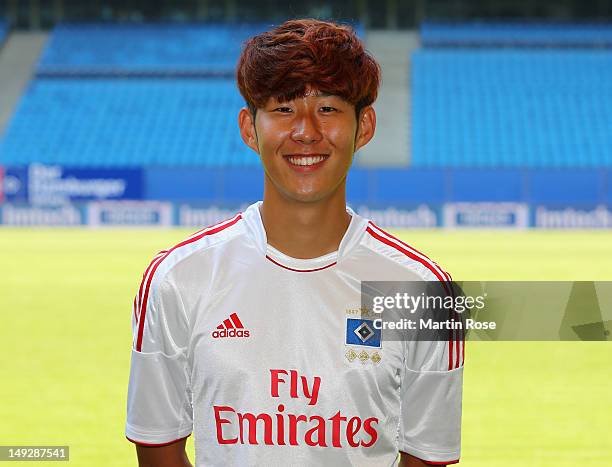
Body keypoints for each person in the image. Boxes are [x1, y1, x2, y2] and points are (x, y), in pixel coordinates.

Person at [125, 18, 463, 466]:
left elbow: (428, 457)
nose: (305, 131)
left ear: (364, 126)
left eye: (328, 108)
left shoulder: (426, 293)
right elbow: (157, 447)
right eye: (283, 108)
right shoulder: (177, 279)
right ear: (249, 128)